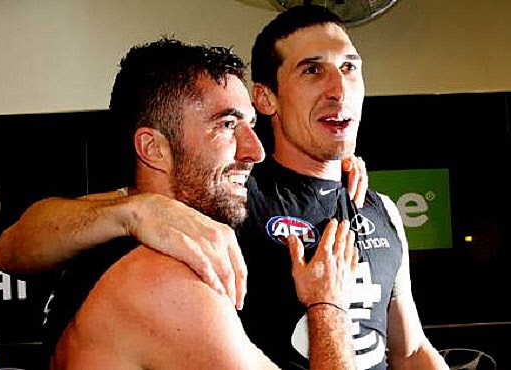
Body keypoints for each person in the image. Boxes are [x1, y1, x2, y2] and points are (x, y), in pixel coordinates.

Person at [0, 5, 448, 370]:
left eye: (350, 67)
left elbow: (410, 350)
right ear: (267, 96)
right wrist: (139, 209)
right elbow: (12, 246)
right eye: (312, 70)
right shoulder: (218, 208)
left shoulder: (376, 208)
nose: (338, 88)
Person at [23, 37, 358, 369]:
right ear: (153, 149)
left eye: (250, 125)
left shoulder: (107, 236)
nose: (255, 151)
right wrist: (328, 304)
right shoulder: (164, 283)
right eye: (227, 125)